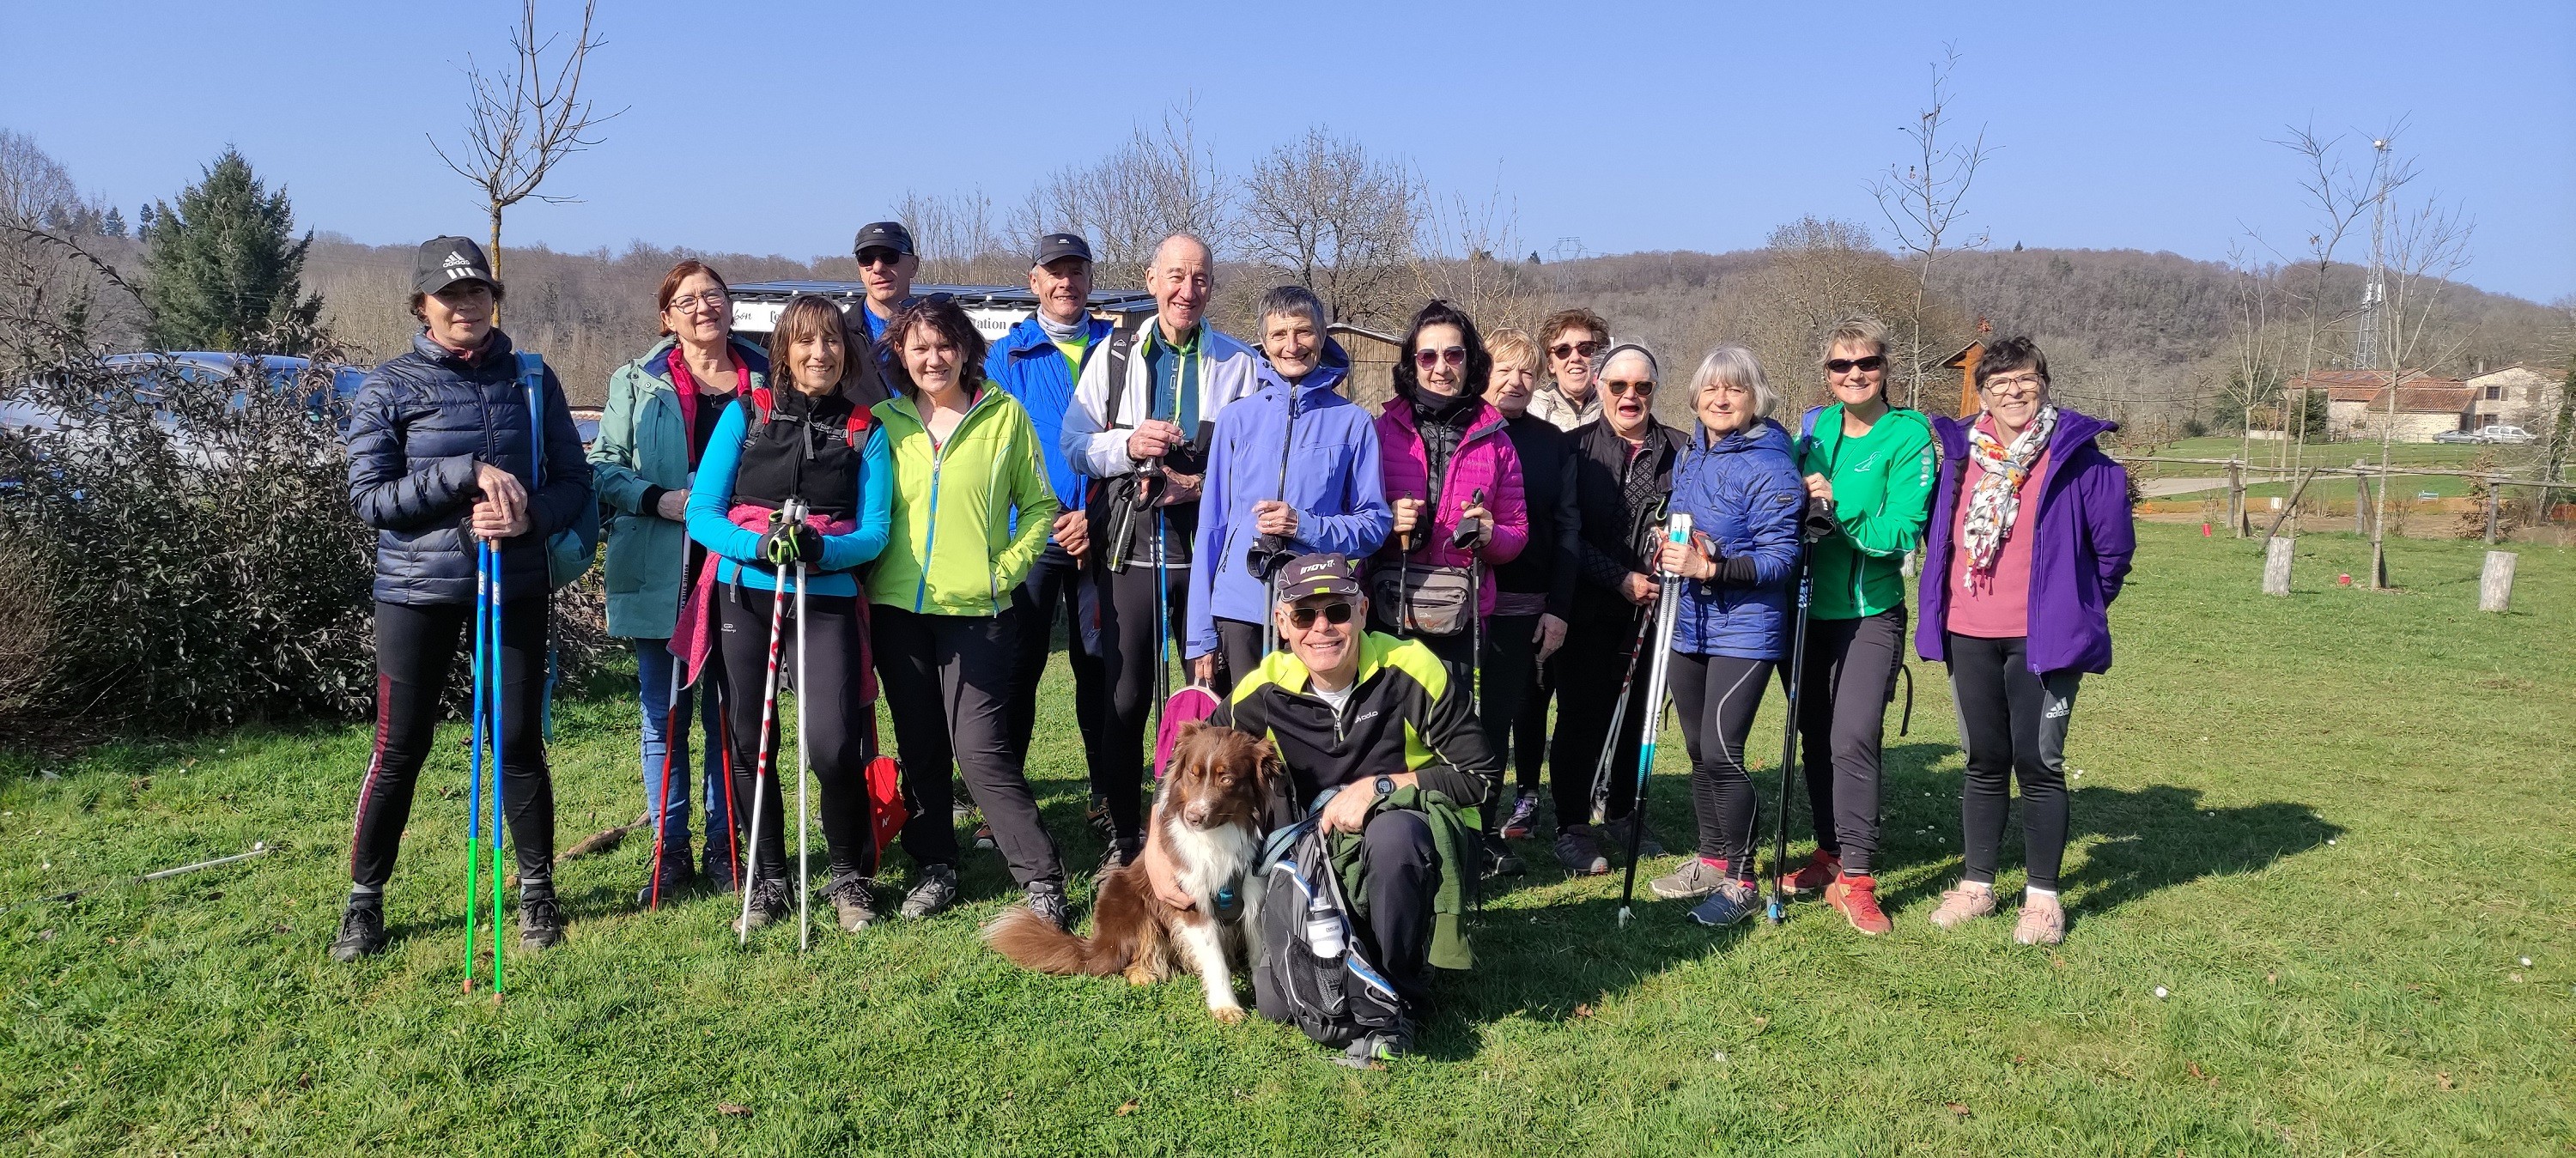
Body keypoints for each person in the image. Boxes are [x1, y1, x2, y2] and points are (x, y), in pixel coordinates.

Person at [333, 236, 591, 961]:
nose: (465, 306)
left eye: (477, 292)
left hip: (514, 584)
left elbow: (574, 483)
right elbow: (370, 498)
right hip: (415, 593)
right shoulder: (389, 387)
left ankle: (537, 889)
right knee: (399, 748)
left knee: (515, 740)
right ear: (422, 306)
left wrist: (528, 515)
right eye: (449, 296)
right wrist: (463, 473)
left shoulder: (534, 382)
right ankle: (364, 903)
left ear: (493, 300)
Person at [1148, 553, 1496, 1064]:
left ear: (1362, 610)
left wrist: (1382, 786)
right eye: (1305, 615)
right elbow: (1182, 768)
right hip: (1315, 858)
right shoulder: (1265, 687)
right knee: (1274, 1005)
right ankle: (1344, 963)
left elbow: (1483, 779)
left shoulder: (1413, 669)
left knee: (1394, 836)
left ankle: (1399, 993)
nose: (1322, 628)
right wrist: (1158, 853)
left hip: (1407, 849)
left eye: (1336, 611)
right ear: (1282, 623)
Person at [686, 294, 894, 934]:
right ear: (784, 350)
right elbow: (702, 512)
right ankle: (768, 877)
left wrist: (821, 548)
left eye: (831, 341)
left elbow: (876, 531)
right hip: (744, 593)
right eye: (805, 342)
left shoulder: (867, 429)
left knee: (833, 747)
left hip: (824, 596)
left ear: (845, 350)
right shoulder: (747, 413)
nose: (819, 354)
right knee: (752, 740)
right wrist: (756, 545)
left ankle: (848, 877)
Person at [1916, 336, 2133, 946]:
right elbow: (1941, 539)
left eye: (2026, 378)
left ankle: (2042, 898)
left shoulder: (2082, 462)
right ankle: (1978, 884)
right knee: (1984, 760)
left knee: (2039, 764)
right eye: (2000, 382)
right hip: (1969, 631)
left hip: (2044, 641)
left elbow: (2112, 554)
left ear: (2044, 383)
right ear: (1983, 392)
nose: (2014, 390)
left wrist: (2074, 606)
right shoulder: (1960, 458)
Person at [1061, 234, 1263, 863]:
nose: (1187, 290)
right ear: (1151, 279)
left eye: (1200, 278)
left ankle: (1222, 835)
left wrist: (1196, 483)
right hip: (1133, 548)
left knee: (1219, 703)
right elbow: (1074, 443)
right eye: (1175, 276)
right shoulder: (1116, 353)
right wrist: (1129, 443)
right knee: (1126, 699)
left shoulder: (1237, 361)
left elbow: (1251, 463)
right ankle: (1128, 839)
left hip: (1210, 558)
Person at [869, 297, 1066, 926]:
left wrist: (1001, 571)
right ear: (900, 352)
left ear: (965, 349)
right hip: (898, 609)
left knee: (980, 747)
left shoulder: (1004, 416)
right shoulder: (882, 421)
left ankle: (1041, 876)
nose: (933, 358)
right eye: (918, 346)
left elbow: (1041, 506)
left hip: (981, 610)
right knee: (921, 743)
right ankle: (935, 865)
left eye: (944, 344)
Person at [590, 259, 769, 903]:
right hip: (663, 567)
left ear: (731, 306)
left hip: (742, 569)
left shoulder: (766, 380)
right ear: (667, 317)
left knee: (732, 715)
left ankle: (727, 848)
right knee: (663, 717)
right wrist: (655, 498)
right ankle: (671, 853)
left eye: (713, 295)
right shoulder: (636, 383)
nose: (703, 308)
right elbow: (602, 468)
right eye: (687, 300)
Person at [1777, 318, 1938, 935]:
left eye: (1865, 364)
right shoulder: (1812, 426)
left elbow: (1902, 529)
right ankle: (1830, 852)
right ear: (1826, 373)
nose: (1853, 375)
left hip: (1869, 611)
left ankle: (1860, 877)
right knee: (1814, 733)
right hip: (1806, 610)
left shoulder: (1908, 433)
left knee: (1853, 737)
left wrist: (1835, 513)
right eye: (1840, 366)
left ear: (1884, 368)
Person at [1640, 346, 1805, 927]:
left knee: (1721, 749)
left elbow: (1782, 557)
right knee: (1696, 749)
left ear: (1755, 396)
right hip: (1689, 620)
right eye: (1711, 389)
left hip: (1745, 626)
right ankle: (1711, 858)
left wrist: (1713, 566)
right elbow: (1690, 529)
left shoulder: (1771, 461)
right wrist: (1674, 543)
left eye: (1734, 389)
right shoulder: (1690, 453)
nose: (1721, 398)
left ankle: (1741, 878)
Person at [1186, 284, 1390, 695]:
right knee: (1246, 744)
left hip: (1316, 612)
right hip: (1239, 609)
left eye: (1303, 332)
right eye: (1279, 335)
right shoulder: (1236, 419)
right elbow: (1211, 527)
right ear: (1263, 341)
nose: (1292, 346)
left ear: (1322, 337)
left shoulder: (1354, 422)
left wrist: (1303, 525)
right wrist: (1200, 634)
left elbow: (1374, 526)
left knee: (1310, 741)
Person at [987, 233, 1116, 862]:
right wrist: (1049, 514)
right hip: (1032, 533)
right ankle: (1001, 801)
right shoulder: (1003, 355)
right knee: (1018, 668)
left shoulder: (1121, 347)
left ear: (1091, 279)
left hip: (1106, 531)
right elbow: (994, 448)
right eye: (1054, 273)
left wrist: (1095, 515)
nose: (1067, 283)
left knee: (1100, 666)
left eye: (1077, 272)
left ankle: (1106, 795)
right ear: (1034, 281)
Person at [1547, 343, 1686, 876]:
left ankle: (1624, 813)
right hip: (1587, 606)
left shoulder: (1681, 449)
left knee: (1640, 716)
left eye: (1642, 387)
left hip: (1658, 609)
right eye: (1618, 386)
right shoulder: (1573, 449)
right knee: (1582, 715)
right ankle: (1572, 824)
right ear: (1600, 387)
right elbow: (1568, 533)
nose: (1630, 397)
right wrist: (1619, 578)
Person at [1371, 300, 1528, 676]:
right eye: (1427, 357)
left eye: (1453, 354)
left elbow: (1517, 533)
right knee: (1387, 730)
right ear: (1412, 364)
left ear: (1470, 361)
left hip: (1459, 612)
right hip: (1387, 603)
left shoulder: (1497, 442)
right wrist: (1386, 519)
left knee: (1448, 730)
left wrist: (1490, 534)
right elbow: (1353, 516)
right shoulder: (1379, 432)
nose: (1441, 367)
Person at [1479, 328, 1579, 849]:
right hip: (1456, 602)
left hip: (1524, 605)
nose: (1515, 382)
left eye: (1526, 372)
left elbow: (1568, 528)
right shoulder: (1465, 432)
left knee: (1503, 717)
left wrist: (1558, 606)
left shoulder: (1551, 444)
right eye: (1504, 370)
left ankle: (1491, 825)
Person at [1528, 307, 1609, 431]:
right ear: (1550, 364)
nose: (1575, 357)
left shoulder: (1614, 410)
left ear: (1598, 357)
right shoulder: (1530, 410)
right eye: (1563, 350)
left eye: (1585, 348)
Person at [849, 221, 920, 347]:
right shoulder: (837, 332)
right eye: (866, 258)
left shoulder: (942, 332)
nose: (878, 268)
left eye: (890, 257)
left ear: (913, 266)